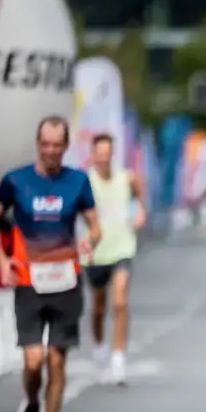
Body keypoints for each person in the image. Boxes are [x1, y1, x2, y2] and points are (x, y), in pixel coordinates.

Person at [0, 116, 101, 412]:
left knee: (57, 361)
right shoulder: (15, 181)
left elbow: (95, 227)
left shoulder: (78, 182)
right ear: (38, 144)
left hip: (66, 279)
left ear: (65, 146)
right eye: (45, 145)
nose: (50, 151)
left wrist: (90, 243)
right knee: (33, 362)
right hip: (28, 280)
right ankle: (32, 403)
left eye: (57, 145)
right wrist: (3, 260)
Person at [83, 133, 146, 385]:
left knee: (120, 302)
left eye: (108, 154)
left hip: (122, 248)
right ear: (93, 155)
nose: (104, 158)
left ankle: (118, 359)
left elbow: (140, 197)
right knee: (99, 307)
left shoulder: (126, 178)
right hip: (96, 253)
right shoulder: (85, 182)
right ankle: (100, 350)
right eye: (99, 154)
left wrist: (140, 211)